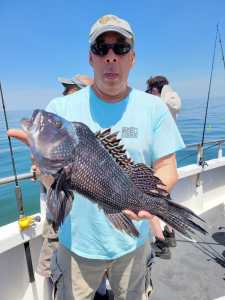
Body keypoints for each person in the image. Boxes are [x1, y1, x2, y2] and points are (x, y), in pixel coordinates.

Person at [8, 14, 185, 300]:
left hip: (133, 244)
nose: (111, 56)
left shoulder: (154, 108)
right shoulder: (60, 108)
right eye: (102, 48)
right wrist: (42, 161)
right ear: (91, 58)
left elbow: (167, 168)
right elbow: (54, 184)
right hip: (76, 247)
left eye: (121, 48)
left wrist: (150, 205)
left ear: (133, 58)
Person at [146, 75, 182, 259]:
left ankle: (161, 244)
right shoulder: (170, 103)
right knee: (166, 200)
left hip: (157, 161)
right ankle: (171, 234)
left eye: (150, 89)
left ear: (156, 90)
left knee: (149, 202)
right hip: (169, 159)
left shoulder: (161, 104)